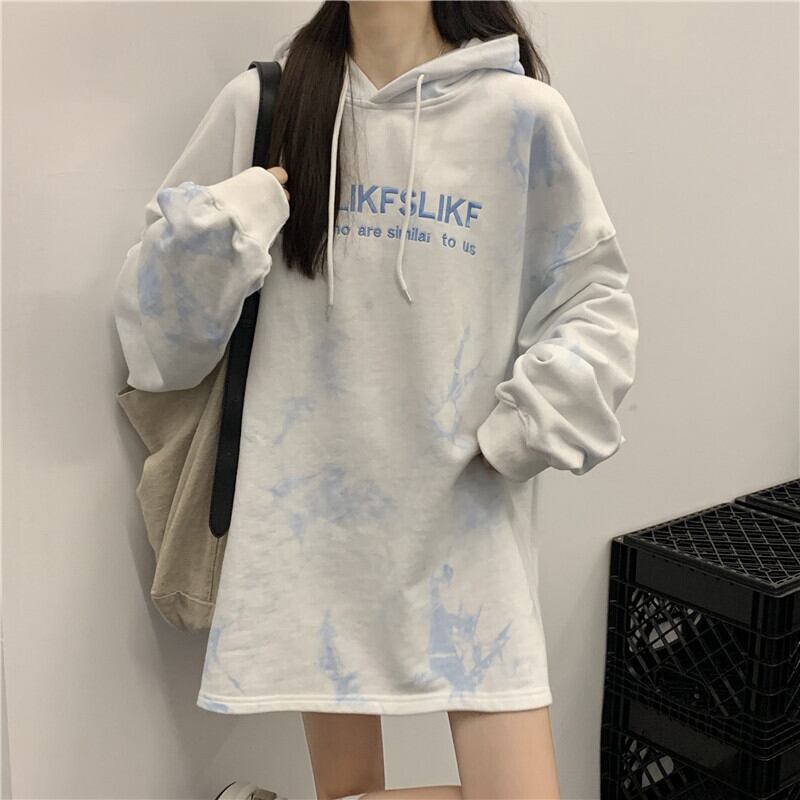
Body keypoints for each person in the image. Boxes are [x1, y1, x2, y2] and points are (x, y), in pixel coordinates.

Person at [112, 1, 639, 798]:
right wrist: (232, 225)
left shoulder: (522, 116)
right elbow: (158, 344)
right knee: (348, 784)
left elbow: (594, 305)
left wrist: (523, 428)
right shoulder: (270, 104)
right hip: (313, 532)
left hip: (467, 526)